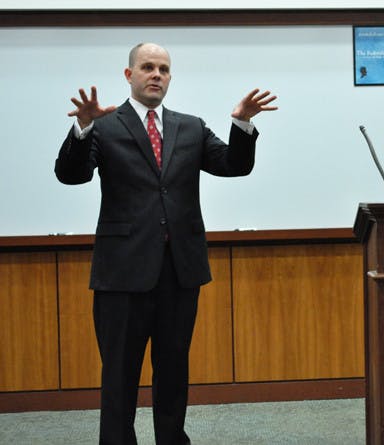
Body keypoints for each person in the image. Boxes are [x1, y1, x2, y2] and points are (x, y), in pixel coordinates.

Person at [54, 42, 277, 445]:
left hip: (180, 271)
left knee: (173, 370)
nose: (156, 74)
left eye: (164, 69)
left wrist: (242, 124)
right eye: (147, 67)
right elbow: (71, 176)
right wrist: (82, 129)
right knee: (119, 374)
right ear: (129, 75)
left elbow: (234, 165)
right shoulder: (104, 125)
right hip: (122, 274)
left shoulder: (190, 126)